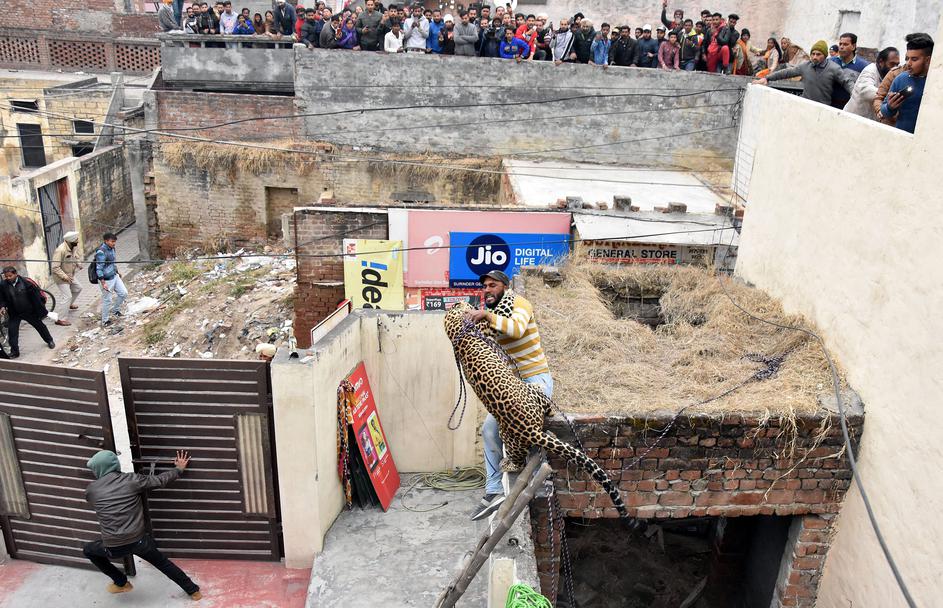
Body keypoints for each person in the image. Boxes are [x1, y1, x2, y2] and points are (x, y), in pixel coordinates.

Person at [464, 270, 553, 521]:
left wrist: (485, 315)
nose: (487, 290)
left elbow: (516, 329)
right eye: (485, 287)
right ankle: (493, 490)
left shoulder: (519, 304)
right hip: (513, 385)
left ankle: (537, 481)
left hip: (536, 379)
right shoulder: (493, 316)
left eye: (492, 285)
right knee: (489, 430)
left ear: (505, 286)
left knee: (526, 427)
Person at [83, 450, 200, 600]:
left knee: (88, 550)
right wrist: (178, 469)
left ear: (98, 469)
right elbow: (160, 480)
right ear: (115, 465)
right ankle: (194, 591)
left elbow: (93, 499)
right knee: (163, 563)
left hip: (113, 546)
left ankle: (121, 582)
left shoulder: (91, 490)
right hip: (139, 541)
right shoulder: (132, 480)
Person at [756, 40, 855, 106]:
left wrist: (854, 94)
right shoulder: (805, 66)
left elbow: (846, 81)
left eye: (818, 54)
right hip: (804, 105)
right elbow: (786, 72)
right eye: (813, 54)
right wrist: (767, 78)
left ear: (825, 56)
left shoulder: (833, 68)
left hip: (823, 109)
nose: (815, 57)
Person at [880, 33, 933, 133]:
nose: (909, 63)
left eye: (914, 59)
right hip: (901, 136)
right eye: (907, 58)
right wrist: (890, 107)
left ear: (928, 60)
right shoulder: (900, 78)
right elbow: (884, 110)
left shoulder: (936, 83)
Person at [0, 266, 54, 357]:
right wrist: (2, 306)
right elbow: (2, 298)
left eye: (10, 276)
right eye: (6, 276)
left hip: (29, 311)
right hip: (14, 313)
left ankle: (49, 340)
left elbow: (36, 298)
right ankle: (15, 352)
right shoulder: (3, 285)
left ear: (16, 274)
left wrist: (40, 310)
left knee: (40, 326)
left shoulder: (26, 283)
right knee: (12, 332)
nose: (8, 278)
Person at [844, 46, 899, 119]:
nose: (895, 68)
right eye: (892, 64)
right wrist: (887, 96)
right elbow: (865, 90)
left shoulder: (891, 77)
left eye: (897, 65)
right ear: (881, 62)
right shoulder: (870, 70)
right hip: (851, 119)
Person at [95, 232, 127, 328]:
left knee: (123, 293)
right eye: (112, 241)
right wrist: (103, 282)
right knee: (107, 300)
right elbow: (99, 269)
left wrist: (117, 271)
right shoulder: (101, 252)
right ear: (106, 241)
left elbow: (112, 262)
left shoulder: (112, 248)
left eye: (114, 241)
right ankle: (105, 321)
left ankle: (115, 310)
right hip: (106, 280)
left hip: (114, 275)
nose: (114, 243)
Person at [51, 231, 82, 327]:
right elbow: (55, 267)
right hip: (61, 277)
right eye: (76, 240)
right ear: (71, 241)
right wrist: (65, 277)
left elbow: (75, 256)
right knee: (67, 296)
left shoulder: (73, 247)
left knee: (78, 288)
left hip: (70, 275)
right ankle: (60, 319)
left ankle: (69, 304)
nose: (78, 241)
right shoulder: (60, 250)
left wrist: (78, 264)